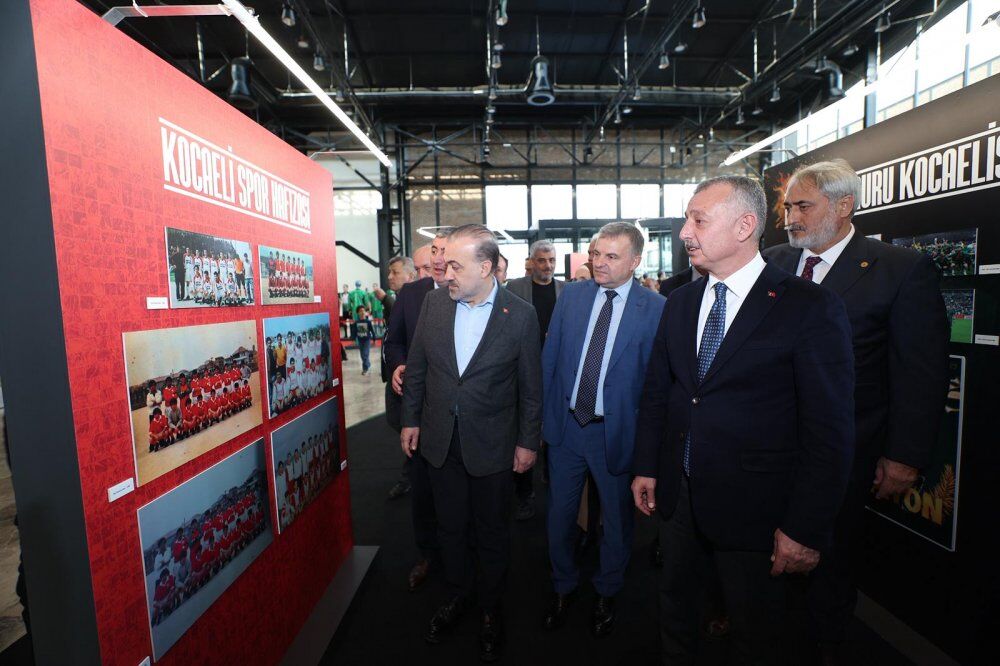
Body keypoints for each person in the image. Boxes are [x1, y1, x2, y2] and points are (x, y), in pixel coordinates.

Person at [632, 175, 856, 665]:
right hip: (679, 498)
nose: (684, 233)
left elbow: (829, 431)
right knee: (675, 612)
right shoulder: (681, 301)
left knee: (758, 632)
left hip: (759, 509)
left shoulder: (809, 306)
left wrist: (805, 527)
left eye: (698, 220)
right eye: (687, 220)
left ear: (744, 226)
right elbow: (660, 392)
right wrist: (647, 465)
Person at [764, 159, 950, 664]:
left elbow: (919, 372)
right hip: (770, 447)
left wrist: (904, 456)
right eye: (788, 206)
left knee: (830, 563)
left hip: (847, 453)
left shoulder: (898, 269)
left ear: (843, 205)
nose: (790, 218)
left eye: (803, 206)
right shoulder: (773, 261)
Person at [400, 224, 542, 662]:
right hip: (440, 441)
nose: (446, 274)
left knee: (492, 531)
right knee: (450, 528)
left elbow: (531, 388)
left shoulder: (520, 315)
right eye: (445, 266)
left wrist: (528, 443)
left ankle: (490, 609)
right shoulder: (434, 304)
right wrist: (410, 420)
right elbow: (418, 368)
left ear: (486, 268)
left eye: (456, 267)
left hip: (494, 446)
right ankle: (458, 594)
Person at [541, 222, 665, 637]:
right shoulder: (572, 297)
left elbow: (656, 385)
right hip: (567, 429)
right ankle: (563, 585)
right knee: (559, 517)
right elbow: (550, 360)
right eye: (596, 254)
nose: (599, 263)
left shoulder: (656, 309)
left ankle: (607, 589)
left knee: (617, 520)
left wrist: (648, 447)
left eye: (612, 256)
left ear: (635, 261)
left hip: (616, 434)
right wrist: (542, 421)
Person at [384, 233, 449, 590]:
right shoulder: (411, 295)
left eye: (443, 252)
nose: (437, 260)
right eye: (432, 253)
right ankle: (427, 554)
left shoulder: (472, 292)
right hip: (420, 413)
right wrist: (397, 365)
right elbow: (393, 341)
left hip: (461, 417)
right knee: (423, 492)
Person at [505, 240, 565, 520]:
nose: (547, 265)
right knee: (524, 431)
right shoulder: (515, 288)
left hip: (556, 373)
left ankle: (553, 481)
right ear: (531, 262)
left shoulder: (566, 290)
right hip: (523, 372)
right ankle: (523, 494)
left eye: (551, 260)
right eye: (542, 260)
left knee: (554, 430)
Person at [383, 256, 418, 498]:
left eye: (395, 272)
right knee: (396, 420)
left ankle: (411, 475)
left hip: (408, 379)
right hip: (394, 376)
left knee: (408, 424)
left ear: (410, 275)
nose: (389, 277)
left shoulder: (419, 303)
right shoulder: (397, 301)